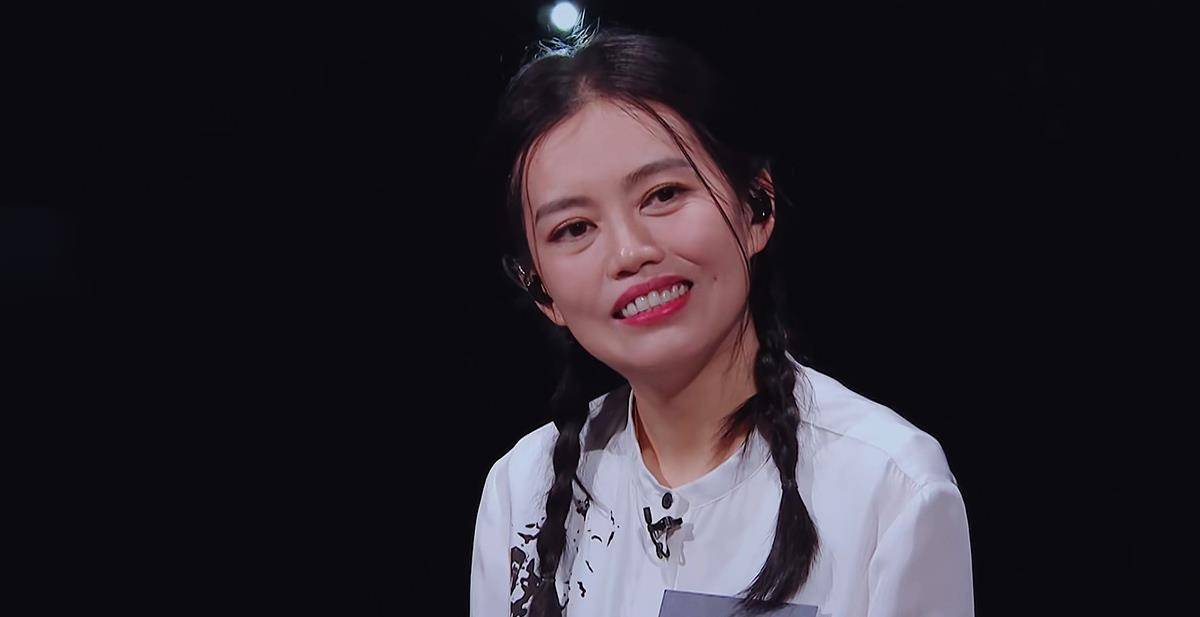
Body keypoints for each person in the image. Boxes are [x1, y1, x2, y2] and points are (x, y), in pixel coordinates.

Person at [471, 25, 973, 617]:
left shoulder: (890, 487)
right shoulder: (520, 489)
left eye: (663, 195)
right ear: (540, 290)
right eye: (574, 228)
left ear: (756, 207)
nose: (629, 252)